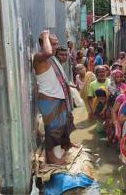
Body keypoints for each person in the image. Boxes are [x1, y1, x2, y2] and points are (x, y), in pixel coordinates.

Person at [33, 31, 75, 165]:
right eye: (52, 44)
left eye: (56, 43)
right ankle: (51, 157)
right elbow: (48, 53)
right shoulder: (40, 57)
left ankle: (65, 145)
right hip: (48, 99)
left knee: (63, 125)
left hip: (59, 98)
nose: (55, 46)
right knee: (52, 130)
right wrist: (45, 35)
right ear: (43, 43)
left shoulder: (53, 59)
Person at [88, 65, 111, 132]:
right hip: (99, 109)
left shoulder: (110, 82)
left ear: (106, 72)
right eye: (99, 72)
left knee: (109, 129)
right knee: (100, 131)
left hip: (109, 109)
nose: (102, 73)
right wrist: (93, 110)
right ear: (96, 73)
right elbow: (89, 98)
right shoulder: (92, 84)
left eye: (103, 71)